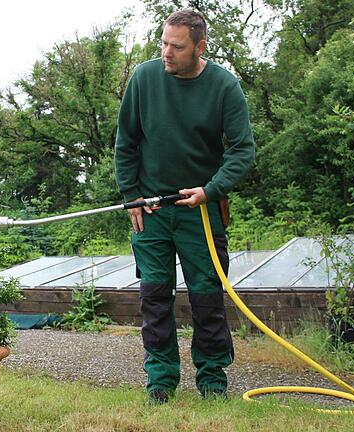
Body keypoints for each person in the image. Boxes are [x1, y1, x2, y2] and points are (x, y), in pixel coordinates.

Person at [114, 8, 255, 404]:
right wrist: (131, 197)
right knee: (154, 295)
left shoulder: (224, 87)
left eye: (176, 47)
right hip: (152, 211)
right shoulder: (144, 78)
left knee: (207, 296)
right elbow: (125, 142)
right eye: (163, 43)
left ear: (200, 46)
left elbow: (242, 151)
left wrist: (211, 190)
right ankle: (160, 381)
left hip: (201, 211)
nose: (166, 54)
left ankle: (212, 381)